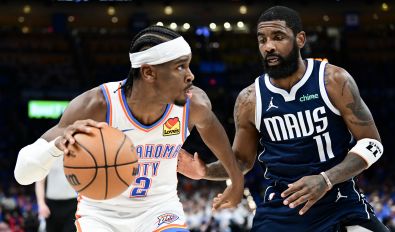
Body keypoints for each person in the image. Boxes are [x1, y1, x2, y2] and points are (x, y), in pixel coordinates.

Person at [177, 6, 389, 232]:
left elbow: (372, 144)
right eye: (262, 40)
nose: (269, 46)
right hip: (282, 210)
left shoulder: (333, 80)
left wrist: (325, 179)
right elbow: (241, 161)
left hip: (339, 201)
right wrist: (205, 171)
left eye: (278, 37)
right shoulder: (250, 99)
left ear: (300, 39)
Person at [14, 25, 244, 232]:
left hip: (160, 209)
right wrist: (56, 145)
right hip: (101, 216)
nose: (190, 75)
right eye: (180, 67)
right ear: (148, 72)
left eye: (189, 65)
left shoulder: (194, 104)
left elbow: (216, 135)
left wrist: (236, 180)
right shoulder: (97, 105)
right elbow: (23, 175)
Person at [35, 156, 77, 232]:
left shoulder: (76, 152)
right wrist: (41, 204)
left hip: (73, 204)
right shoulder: (47, 154)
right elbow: (39, 182)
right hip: (52, 205)